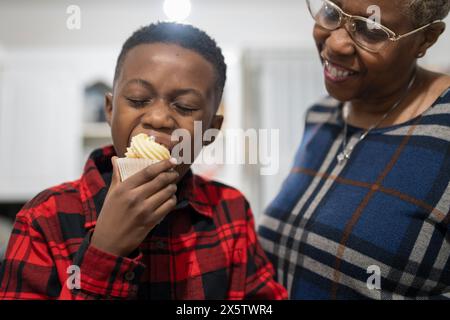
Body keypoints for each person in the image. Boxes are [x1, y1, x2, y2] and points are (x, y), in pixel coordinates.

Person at [0, 22, 287, 300]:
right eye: (138, 100)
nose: (158, 119)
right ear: (110, 110)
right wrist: (105, 250)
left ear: (211, 131)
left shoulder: (230, 211)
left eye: (185, 106)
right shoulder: (43, 219)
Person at [259, 0, 450, 299]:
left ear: (426, 39)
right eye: (332, 13)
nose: (335, 44)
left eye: (372, 30)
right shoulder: (321, 116)